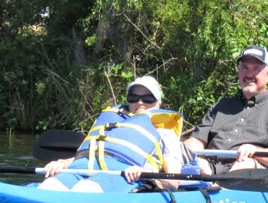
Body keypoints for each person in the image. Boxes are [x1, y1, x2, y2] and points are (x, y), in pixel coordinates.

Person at [38, 76, 184, 192]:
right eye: (133, 98)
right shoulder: (112, 123)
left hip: (123, 175)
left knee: (85, 189)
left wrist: (147, 174)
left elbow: (173, 181)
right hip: (82, 168)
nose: (140, 103)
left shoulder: (165, 133)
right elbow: (95, 153)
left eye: (148, 99)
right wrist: (62, 163)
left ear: (158, 103)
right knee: (49, 186)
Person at [183, 45, 268, 172]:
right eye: (244, 68)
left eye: (256, 69)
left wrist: (255, 151)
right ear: (238, 71)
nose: (249, 74)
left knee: (245, 163)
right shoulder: (221, 106)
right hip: (212, 168)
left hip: (252, 171)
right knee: (179, 158)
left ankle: (219, 186)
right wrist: (179, 149)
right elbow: (197, 141)